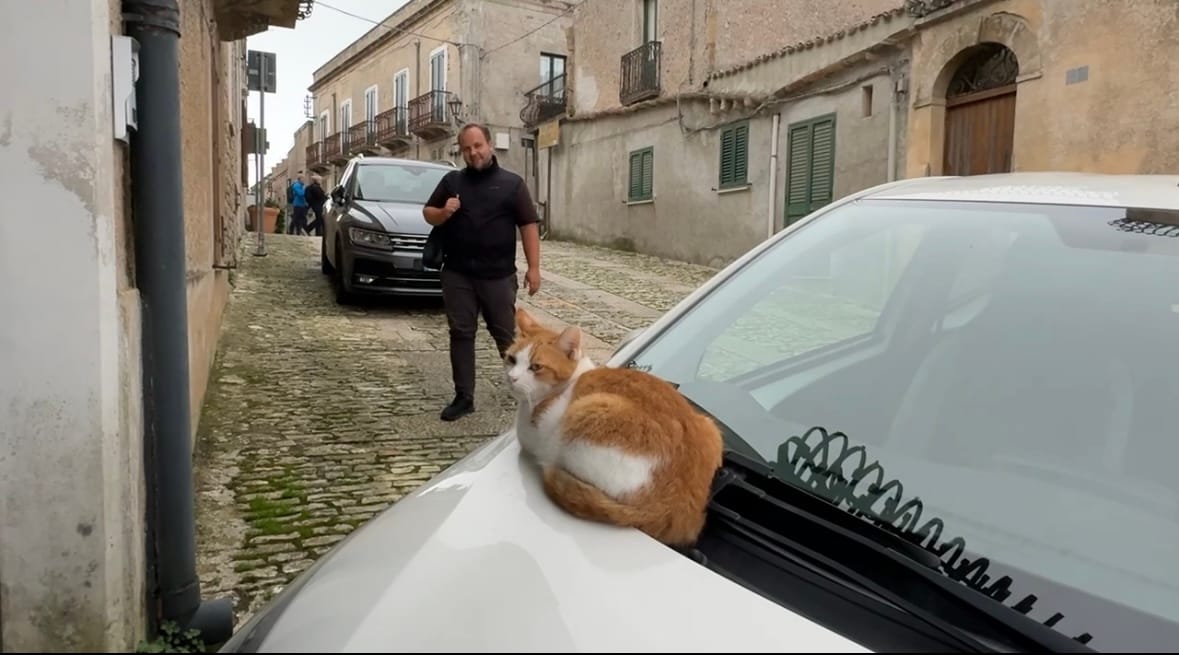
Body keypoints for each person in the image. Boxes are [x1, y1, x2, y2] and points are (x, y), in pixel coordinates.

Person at [423, 123, 542, 421]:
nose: (473, 152)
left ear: (489, 145)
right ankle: (464, 397)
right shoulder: (452, 182)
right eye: (466, 148)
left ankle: (530, 395)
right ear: (461, 151)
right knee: (461, 333)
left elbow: (528, 225)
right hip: (458, 275)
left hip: (498, 277)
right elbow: (428, 214)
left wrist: (535, 268)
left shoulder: (512, 184)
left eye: (477, 145)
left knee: (506, 338)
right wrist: (444, 211)